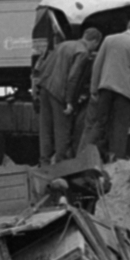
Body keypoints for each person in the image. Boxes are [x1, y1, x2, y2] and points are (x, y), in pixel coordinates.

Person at [36, 28, 102, 164]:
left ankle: (44, 162)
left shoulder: (63, 45)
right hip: (59, 93)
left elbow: (42, 65)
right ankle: (61, 164)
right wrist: (69, 101)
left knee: (45, 128)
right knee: (62, 130)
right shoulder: (82, 52)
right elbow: (73, 77)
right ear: (94, 42)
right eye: (96, 45)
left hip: (45, 88)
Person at [87, 18, 130, 163]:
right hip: (124, 92)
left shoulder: (109, 39)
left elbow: (97, 65)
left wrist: (94, 88)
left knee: (99, 123)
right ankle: (116, 161)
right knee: (120, 127)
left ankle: (86, 155)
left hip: (105, 88)